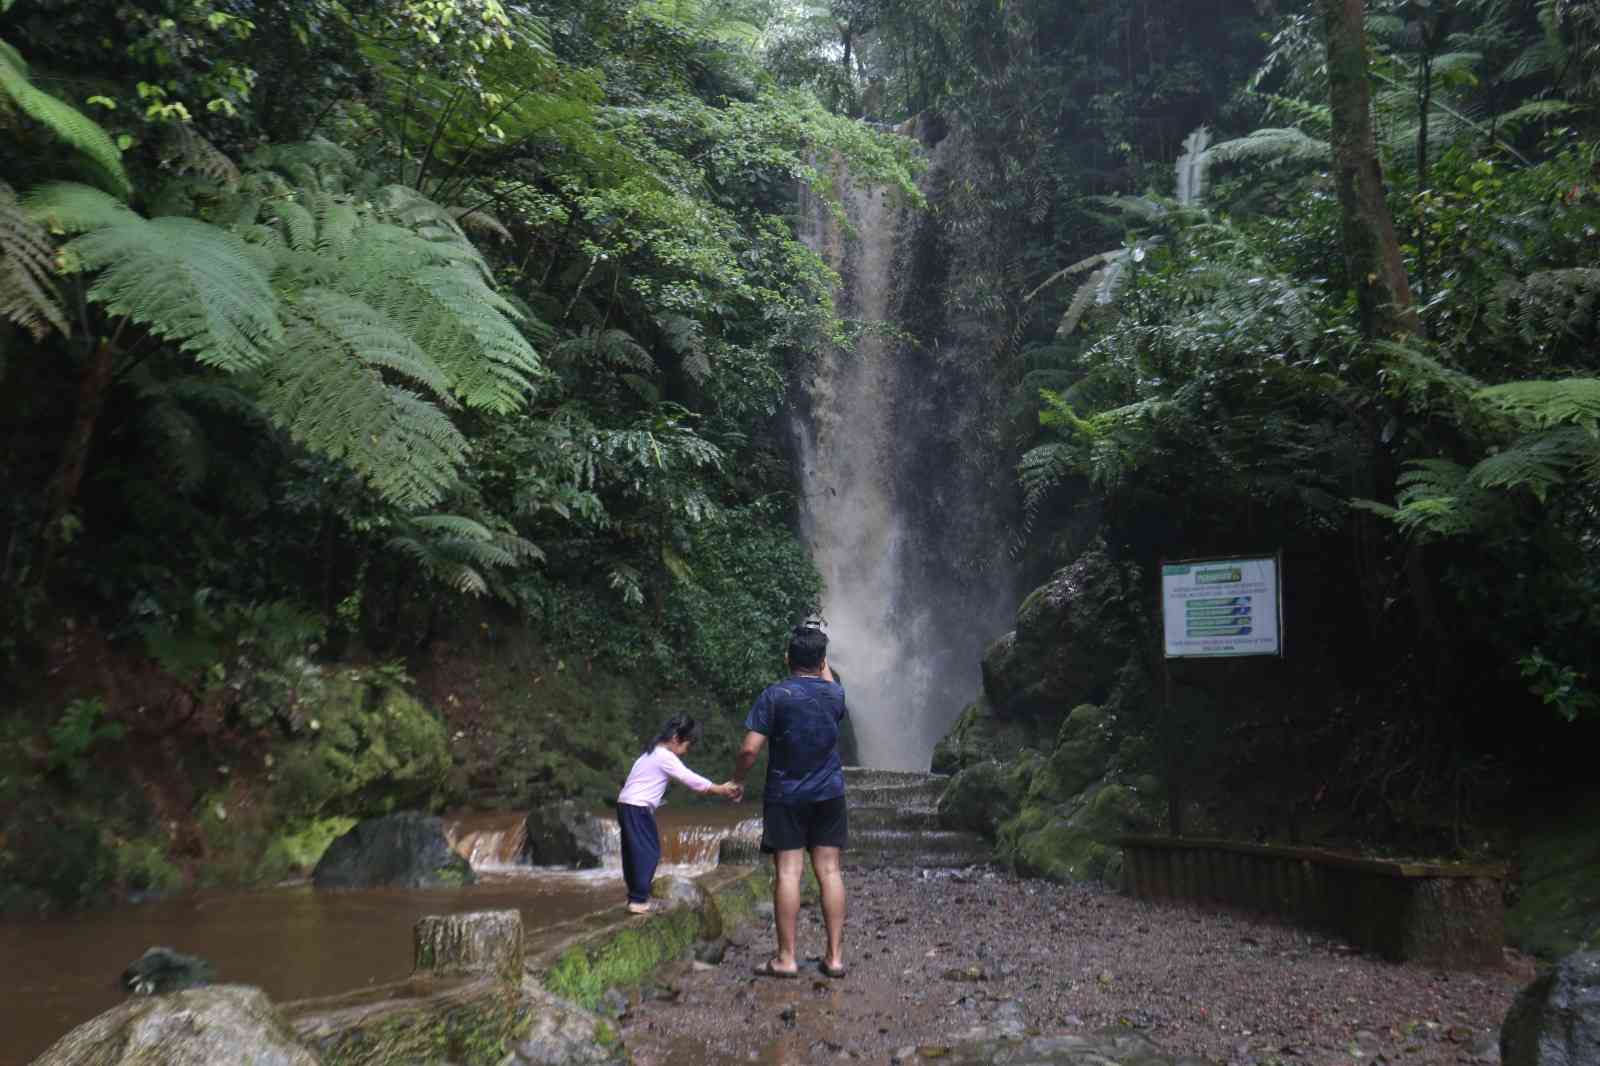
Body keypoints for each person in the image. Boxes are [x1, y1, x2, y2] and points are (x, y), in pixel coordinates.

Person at [731, 620, 849, 979]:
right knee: (829, 871)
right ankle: (834, 958)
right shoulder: (836, 695)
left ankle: (786, 958)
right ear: (823, 660)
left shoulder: (775, 696)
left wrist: (737, 779)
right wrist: (821, 658)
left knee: (788, 872)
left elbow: (750, 749)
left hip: (787, 795)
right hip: (829, 794)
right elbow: (826, 681)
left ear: (787, 658)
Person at [616, 714, 739, 915]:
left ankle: (636, 897)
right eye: (686, 746)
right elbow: (689, 779)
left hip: (627, 805)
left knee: (634, 852)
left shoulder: (651, 753)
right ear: (675, 738)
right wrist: (719, 789)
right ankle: (638, 901)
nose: (685, 751)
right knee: (648, 852)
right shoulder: (664, 756)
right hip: (637, 808)